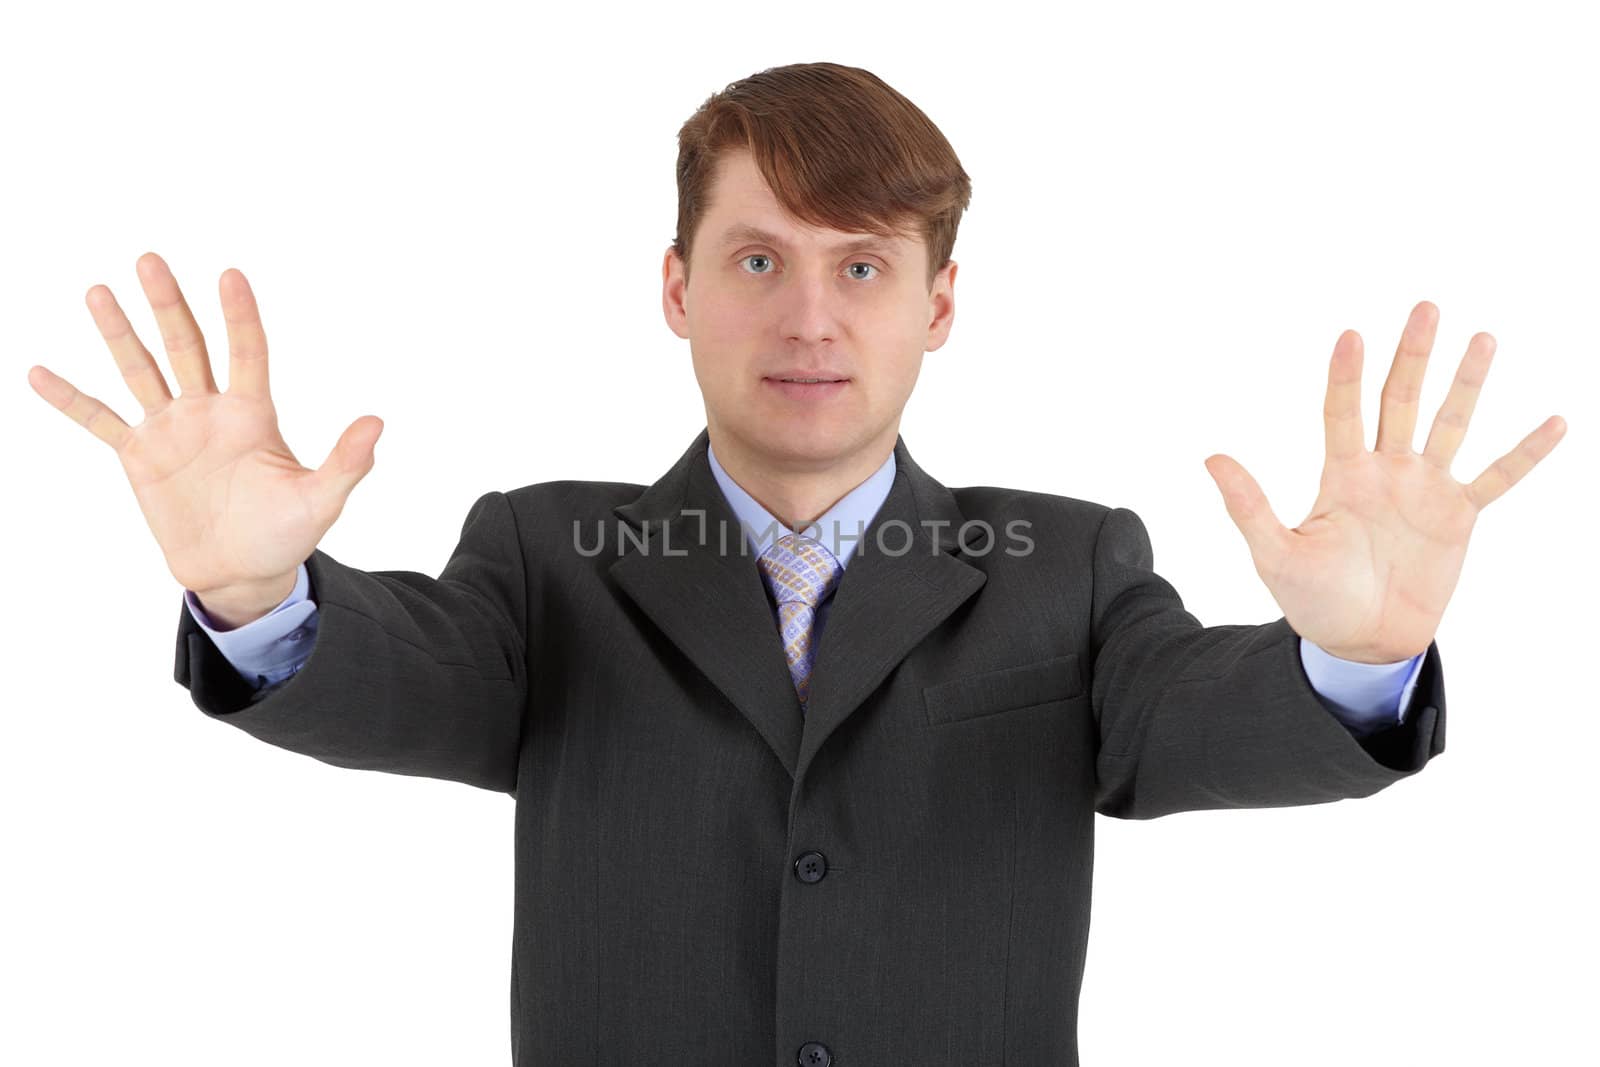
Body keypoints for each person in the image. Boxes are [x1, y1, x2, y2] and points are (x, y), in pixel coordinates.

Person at [26, 61, 1568, 1066]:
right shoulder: (552, 554)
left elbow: (1193, 716)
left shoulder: (1067, 565)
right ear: (677, 290)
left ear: (939, 305)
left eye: (862, 267)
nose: (811, 318)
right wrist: (253, 595)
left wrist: (1357, 657)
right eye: (758, 259)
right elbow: (402, 680)